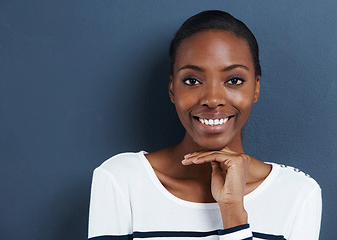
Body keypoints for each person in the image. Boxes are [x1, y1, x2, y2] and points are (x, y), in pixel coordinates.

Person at [88, 10, 322, 240]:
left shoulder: (297, 194)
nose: (212, 99)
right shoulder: (122, 180)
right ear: (172, 88)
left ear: (256, 88)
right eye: (192, 80)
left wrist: (233, 215)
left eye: (234, 80)